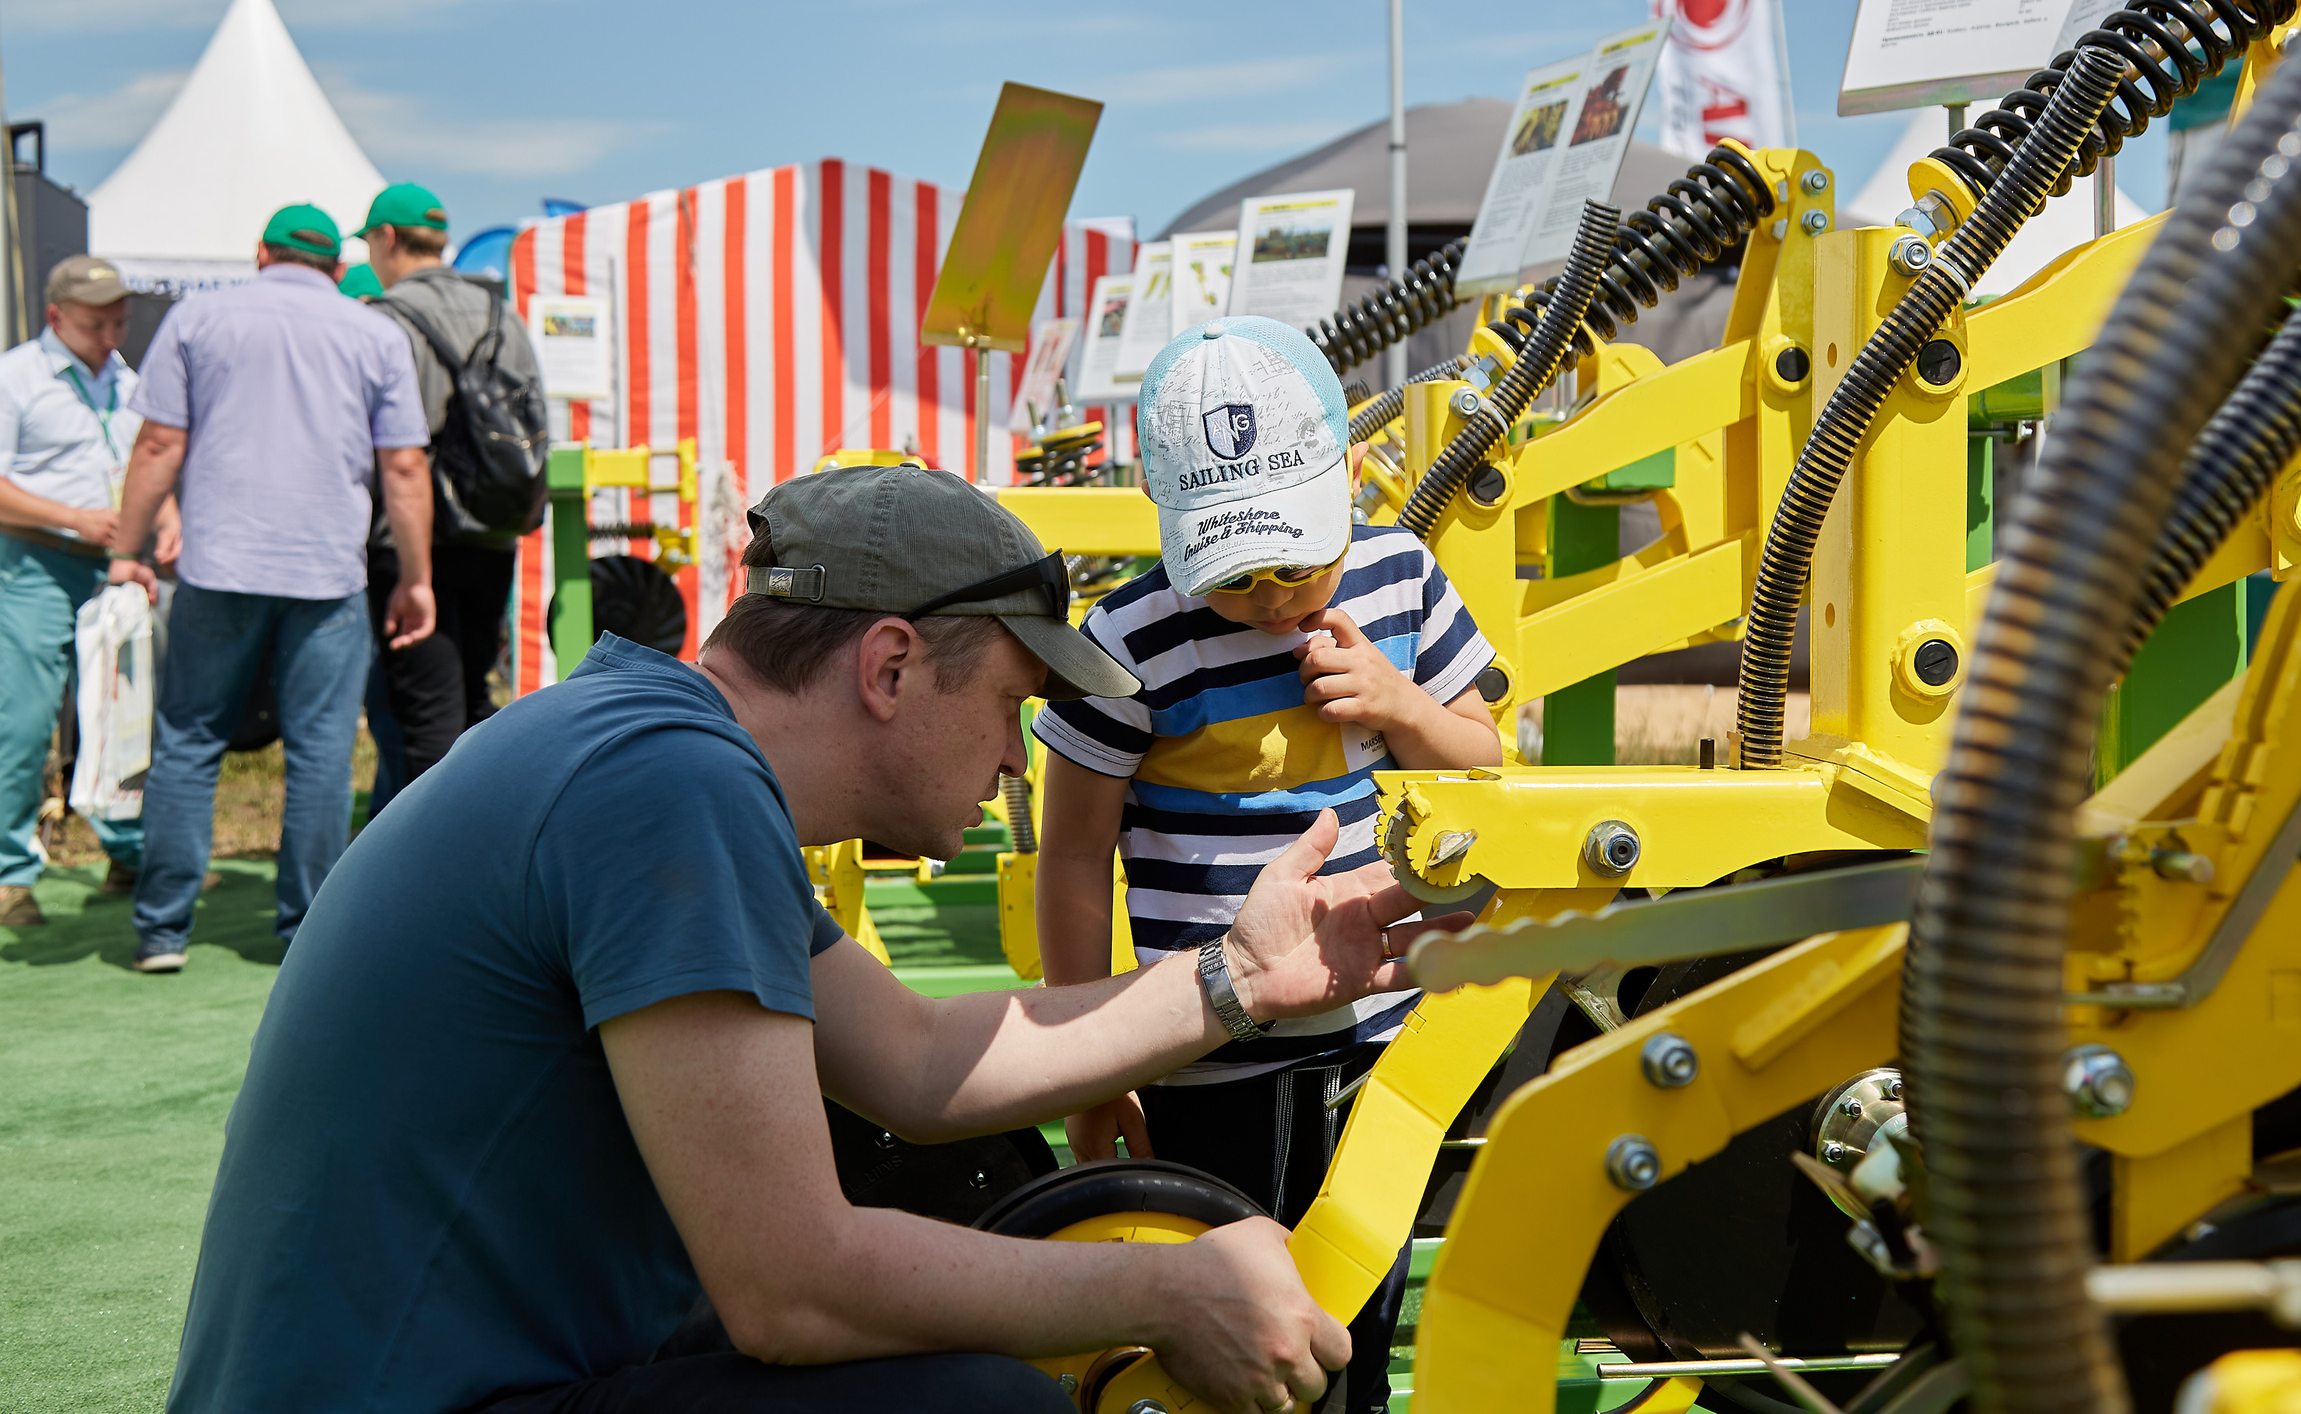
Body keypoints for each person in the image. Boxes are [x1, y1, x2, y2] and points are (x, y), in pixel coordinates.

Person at [165, 463, 1454, 1414]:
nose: (1016, 760)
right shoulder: (667, 786)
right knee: (979, 1411)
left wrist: (1246, 977)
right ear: (890, 668)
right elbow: (796, 1289)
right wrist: (1164, 1290)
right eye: (1010, 703)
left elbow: (915, 1058)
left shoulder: (640, 747)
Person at [1033, 317, 1502, 1414]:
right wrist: (1089, 1057)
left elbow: (1484, 765)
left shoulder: (1398, 576)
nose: (1274, 599)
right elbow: (1070, 856)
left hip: (1390, 1031)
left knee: (1360, 1319)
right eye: (1236, 575)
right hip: (1214, 1045)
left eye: (1298, 558)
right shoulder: (1134, 638)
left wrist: (1400, 706)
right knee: (1241, 1323)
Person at [110, 203, 436, 974]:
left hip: (219, 563)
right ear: (334, 262)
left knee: (189, 739)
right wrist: (415, 578)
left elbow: (159, 441)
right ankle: (307, 934)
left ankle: (163, 929)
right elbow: (403, 467)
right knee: (321, 753)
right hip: (326, 567)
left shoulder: (198, 318)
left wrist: (128, 549)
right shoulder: (373, 332)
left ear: (262, 251)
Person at [0, 257, 181, 923]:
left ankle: (128, 852)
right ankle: (9, 874)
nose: (112, 332)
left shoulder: (126, 380)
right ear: (56, 317)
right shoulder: (15, 378)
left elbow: (144, 465)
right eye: (95, 321)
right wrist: (74, 518)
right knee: (23, 720)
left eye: (120, 319)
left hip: (115, 567)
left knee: (123, 716)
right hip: (36, 565)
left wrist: (165, 522)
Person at [355, 181, 544, 785]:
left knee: (426, 717)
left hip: (411, 539)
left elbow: (388, 452)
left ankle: (430, 870)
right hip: (492, 526)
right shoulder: (501, 312)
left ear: (386, 240)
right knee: (470, 702)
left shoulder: (382, 321)